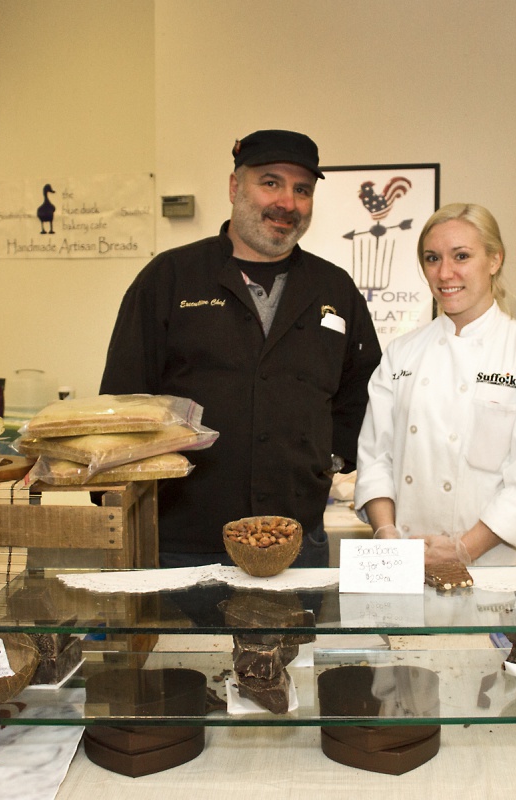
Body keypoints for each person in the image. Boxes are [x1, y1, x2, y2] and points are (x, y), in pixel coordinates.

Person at [100, 129, 382, 568]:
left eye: (302, 190)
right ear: (235, 187)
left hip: (296, 540)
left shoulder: (334, 288)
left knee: (292, 641)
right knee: (184, 641)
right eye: (270, 182)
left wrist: (330, 459)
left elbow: (361, 388)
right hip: (184, 541)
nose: (287, 202)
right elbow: (123, 399)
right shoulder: (170, 278)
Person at [354, 202, 516, 566]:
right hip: (406, 560)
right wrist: (385, 534)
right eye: (432, 258)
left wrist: (464, 550)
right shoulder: (400, 353)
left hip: (492, 566)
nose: (445, 273)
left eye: (461, 256)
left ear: (495, 260)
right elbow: (376, 456)